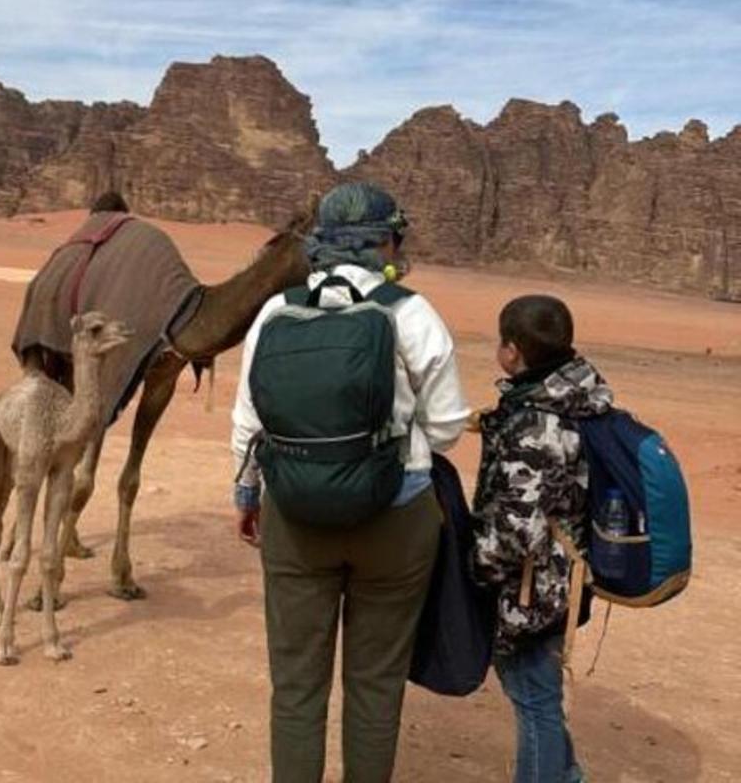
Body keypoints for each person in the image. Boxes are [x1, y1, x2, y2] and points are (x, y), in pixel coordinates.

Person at [231, 182, 470, 782]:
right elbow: (445, 428)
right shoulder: (411, 312)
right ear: (388, 242)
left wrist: (246, 495)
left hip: (296, 519)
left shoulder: (275, 312)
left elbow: (248, 422)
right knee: (375, 684)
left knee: (295, 687)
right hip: (394, 520)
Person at [470, 294, 614, 783]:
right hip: (562, 573)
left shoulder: (537, 424)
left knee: (534, 701)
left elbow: (516, 529)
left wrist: (476, 568)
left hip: (535, 587)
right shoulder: (575, 393)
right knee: (538, 694)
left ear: (512, 350)